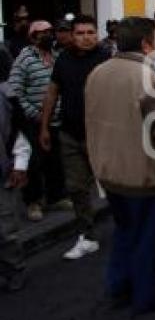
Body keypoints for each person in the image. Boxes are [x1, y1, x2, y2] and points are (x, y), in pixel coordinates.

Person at [86, 17, 155, 314]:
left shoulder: (98, 73)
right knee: (148, 236)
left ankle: (118, 284)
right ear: (147, 43)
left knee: (124, 230)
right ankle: (146, 295)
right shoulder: (147, 77)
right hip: (144, 175)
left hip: (108, 171)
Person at [40, 15, 110, 260]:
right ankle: (87, 236)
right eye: (80, 33)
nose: (86, 37)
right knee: (76, 188)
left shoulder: (106, 59)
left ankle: (127, 227)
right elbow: (52, 93)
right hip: (70, 133)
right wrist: (44, 127)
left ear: (97, 34)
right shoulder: (63, 60)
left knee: (113, 184)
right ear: (72, 35)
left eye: (90, 32)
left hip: (102, 134)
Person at [8, 21, 67, 222]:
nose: (48, 36)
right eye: (43, 33)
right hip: (32, 120)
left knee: (55, 160)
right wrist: (34, 113)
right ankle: (33, 202)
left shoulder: (57, 57)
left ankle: (56, 197)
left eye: (50, 32)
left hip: (57, 119)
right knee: (34, 163)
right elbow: (15, 90)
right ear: (33, 37)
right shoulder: (24, 59)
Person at [0, 80, 31, 293]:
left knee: (5, 228)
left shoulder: (4, 94)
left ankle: (14, 270)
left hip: (1, 174)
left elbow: (15, 131)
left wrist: (20, 164)